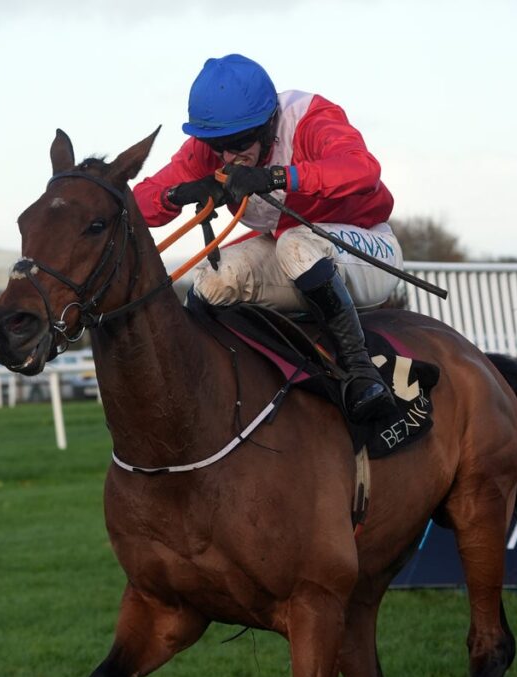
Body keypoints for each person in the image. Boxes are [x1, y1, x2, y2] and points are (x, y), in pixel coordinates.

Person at [133, 54, 402, 423]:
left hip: (370, 250)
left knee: (295, 246)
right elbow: (139, 203)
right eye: (219, 146)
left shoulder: (309, 118)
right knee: (212, 280)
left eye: (240, 142)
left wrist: (276, 177)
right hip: (294, 252)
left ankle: (362, 375)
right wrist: (178, 194)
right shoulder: (210, 146)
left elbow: (363, 169)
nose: (228, 156)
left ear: (268, 123)